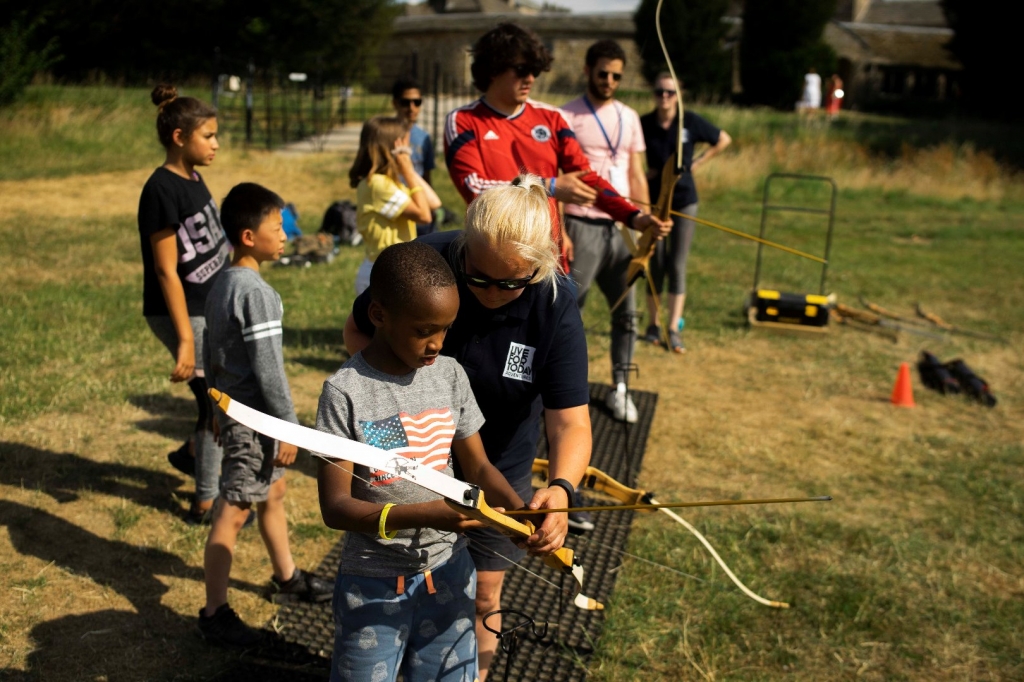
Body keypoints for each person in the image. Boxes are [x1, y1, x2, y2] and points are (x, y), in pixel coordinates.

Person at [344, 174, 591, 680]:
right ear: (461, 251)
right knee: (394, 582)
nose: (494, 293)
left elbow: (570, 422)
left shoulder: (554, 303)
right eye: (479, 278)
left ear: (540, 267)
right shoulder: (423, 267)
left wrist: (562, 490)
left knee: (483, 594)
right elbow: (359, 331)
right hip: (413, 459)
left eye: (512, 282)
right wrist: (387, 402)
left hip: (497, 463)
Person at [317, 241, 525, 682]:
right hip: (374, 586)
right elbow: (335, 508)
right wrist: (427, 514)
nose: (437, 343)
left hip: (450, 572)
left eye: (446, 329)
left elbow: (480, 468)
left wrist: (521, 514)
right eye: (423, 330)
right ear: (379, 315)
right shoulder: (346, 392)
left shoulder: (450, 375)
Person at [199, 182, 332, 647]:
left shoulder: (223, 283)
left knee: (272, 495)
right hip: (255, 424)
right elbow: (270, 372)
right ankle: (215, 611)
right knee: (233, 512)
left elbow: (208, 347)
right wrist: (288, 430)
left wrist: (214, 405)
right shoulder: (256, 292)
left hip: (237, 416)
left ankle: (287, 577)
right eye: (277, 228)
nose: (285, 235)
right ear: (249, 236)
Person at [444, 22, 669, 272]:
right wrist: (547, 186)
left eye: (535, 71)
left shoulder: (551, 117)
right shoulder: (462, 121)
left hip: (550, 259)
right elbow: (474, 189)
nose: (530, 78)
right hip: (495, 263)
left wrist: (633, 216)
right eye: (521, 69)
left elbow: (588, 178)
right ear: (493, 69)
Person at [137, 84, 229, 524]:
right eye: (207, 136)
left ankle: (193, 453)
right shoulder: (161, 189)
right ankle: (206, 503)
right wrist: (186, 341)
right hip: (178, 312)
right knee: (214, 403)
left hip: (205, 308)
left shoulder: (193, 178)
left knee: (214, 398)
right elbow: (166, 271)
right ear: (179, 137)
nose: (215, 144)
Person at [560, 39, 650, 424]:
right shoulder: (565, 116)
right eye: (603, 74)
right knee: (568, 310)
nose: (610, 81)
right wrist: (560, 229)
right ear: (587, 71)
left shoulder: (629, 116)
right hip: (582, 225)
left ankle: (621, 388)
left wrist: (645, 221)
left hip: (622, 228)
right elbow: (562, 177)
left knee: (627, 313)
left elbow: (635, 172)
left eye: (616, 75)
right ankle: (564, 391)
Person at [640, 73, 731, 353]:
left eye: (669, 92)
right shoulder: (644, 123)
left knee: (677, 264)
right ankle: (652, 326)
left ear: (678, 95)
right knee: (654, 263)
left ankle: (673, 329)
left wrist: (699, 163)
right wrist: (645, 175)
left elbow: (723, 139)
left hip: (684, 200)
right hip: (656, 202)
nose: (664, 97)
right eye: (659, 92)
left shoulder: (689, 121)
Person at [349, 115, 440, 295]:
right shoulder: (376, 185)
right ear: (394, 148)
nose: (410, 152)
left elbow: (434, 203)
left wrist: (410, 171)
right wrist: (407, 171)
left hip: (395, 269)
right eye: (407, 145)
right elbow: (424, 216)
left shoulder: (389, 183)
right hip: (382, 273)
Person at [391, 76, 437, 237]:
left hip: (419, 201)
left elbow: (426, 175)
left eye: (417, 102)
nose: (412, 108)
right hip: (396, 205)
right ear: (395, 103)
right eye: (406, 102)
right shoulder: (385, 135)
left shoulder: (424, 137)